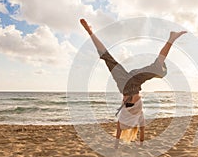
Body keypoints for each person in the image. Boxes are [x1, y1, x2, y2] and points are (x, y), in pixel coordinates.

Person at [80, 19, 186, 148]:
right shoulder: (139, 117)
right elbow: (142, 131)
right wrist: (140, 145)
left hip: (124, 84)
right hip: (134, 82)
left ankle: (90, 31)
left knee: (107, 57)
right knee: (157, 67)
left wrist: (116, 145)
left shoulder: (124, 118)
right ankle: (171, 39)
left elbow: (119, 131)